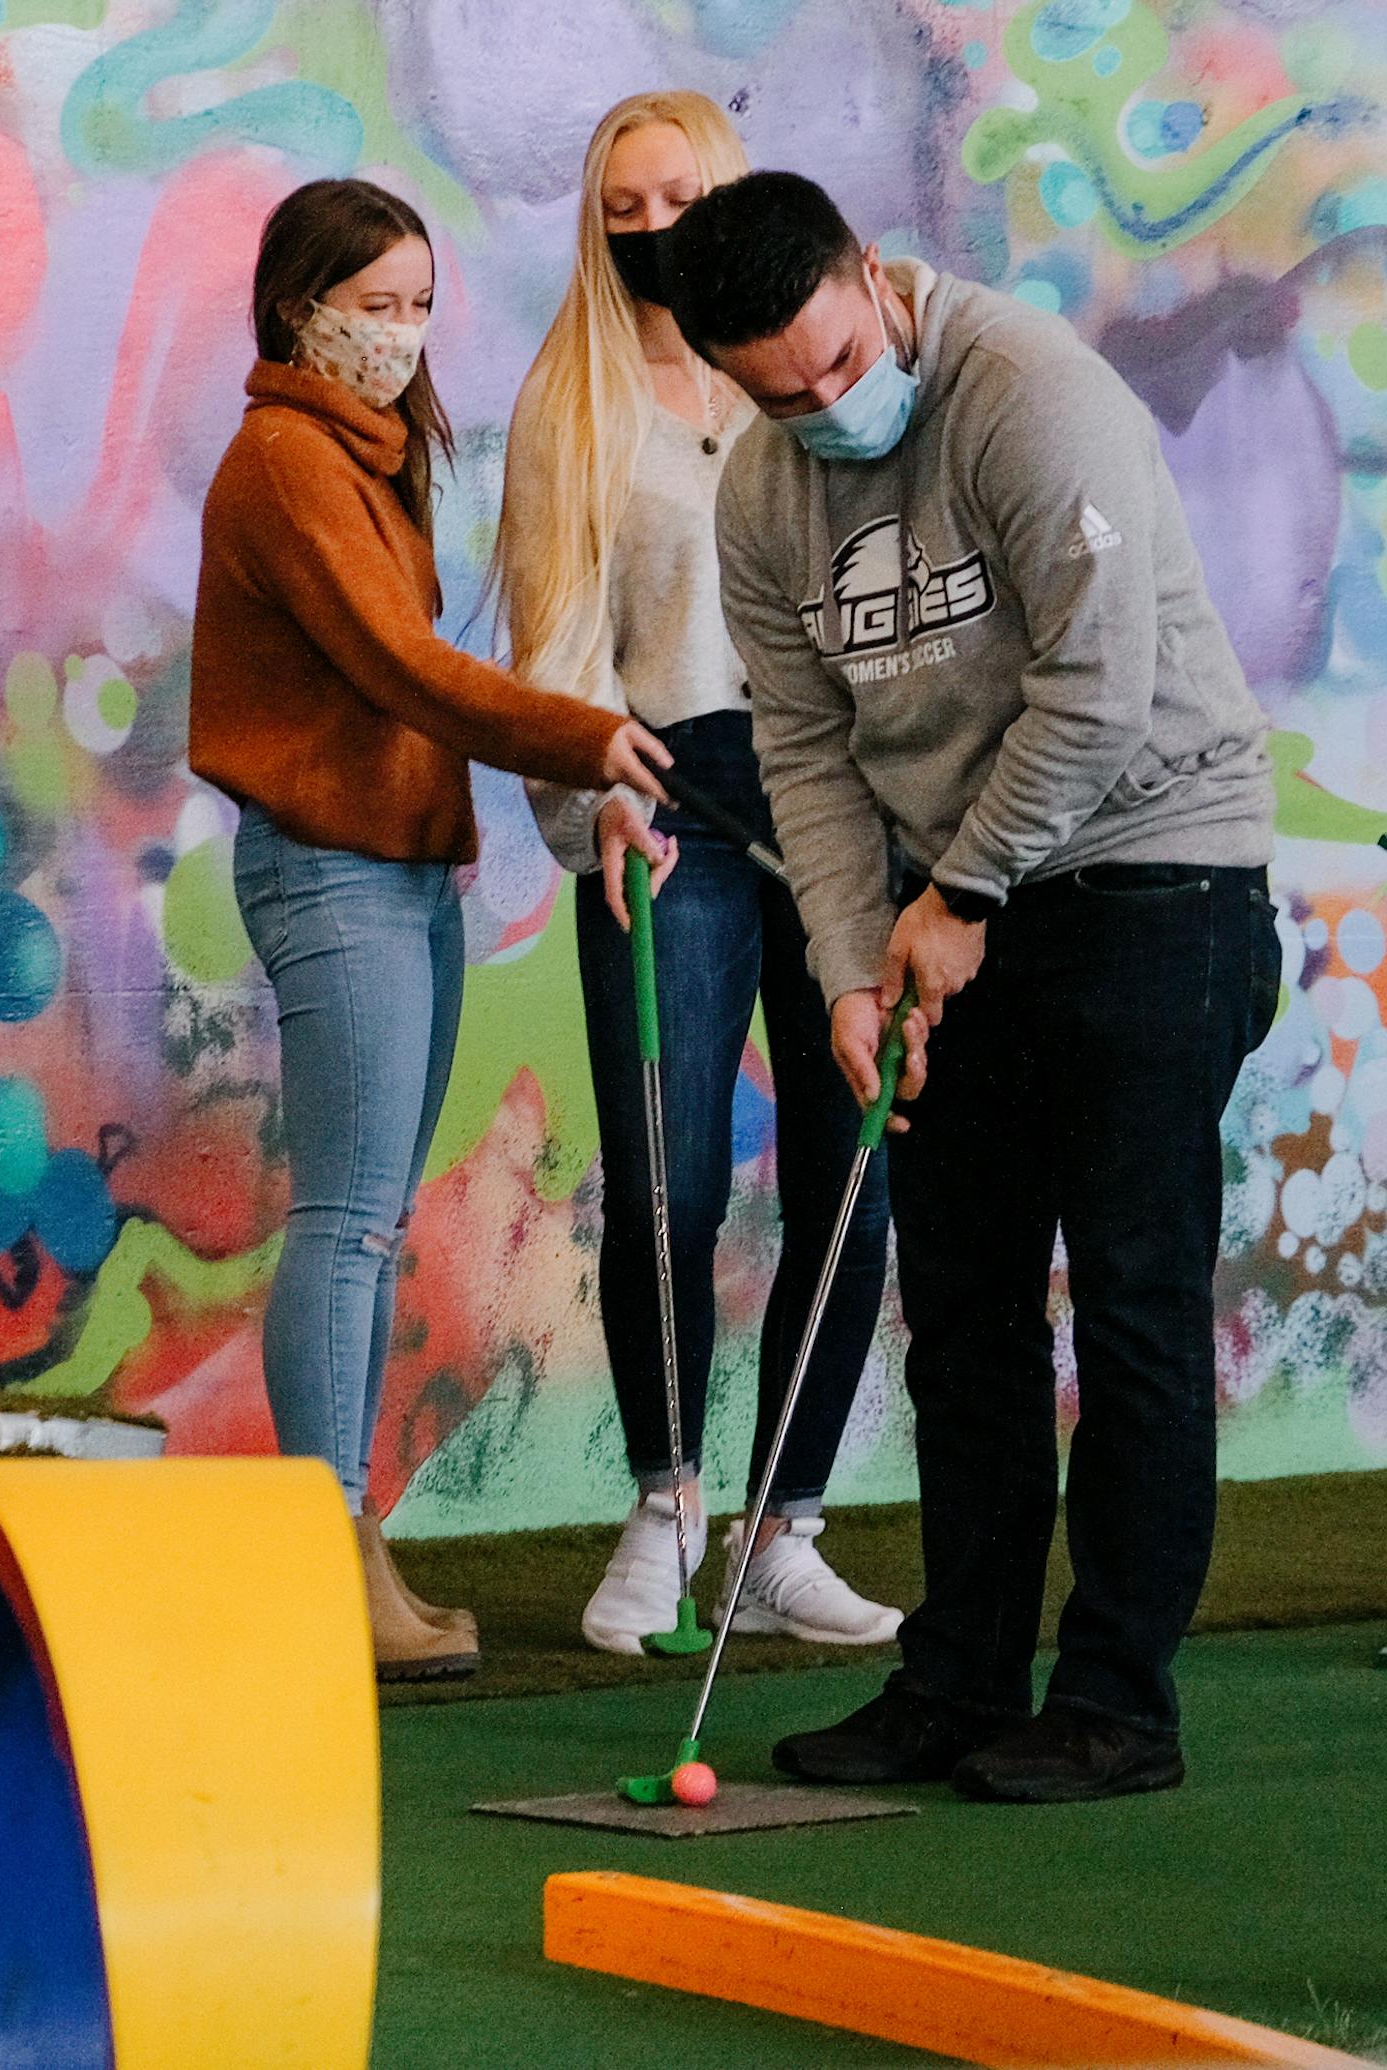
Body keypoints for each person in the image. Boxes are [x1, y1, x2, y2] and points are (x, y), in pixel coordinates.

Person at [661, 171, 1282, 1800]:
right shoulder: (761, 498)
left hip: (1156, 870)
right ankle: (957, 1678)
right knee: (968, 1309)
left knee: (1134, 1299)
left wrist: (962, 894)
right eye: (775, 391)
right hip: (952, 907)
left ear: (875, 276)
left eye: (838, 361)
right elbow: (801, 747)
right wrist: (854, 961)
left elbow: (1097, 684)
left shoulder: (1030, 394)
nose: (820, 404)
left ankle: (1117, 1701)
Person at [190, 177, 670, 1682]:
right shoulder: (285, 460)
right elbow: (401, 669)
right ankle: (326, 1558)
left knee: (366, 1220)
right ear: (297, 307)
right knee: (346, 1223)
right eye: (373, 304)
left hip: (399, 872)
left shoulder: (367, 450)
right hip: (334, 876)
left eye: (417, 304)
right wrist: (589, 734)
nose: (400, 334)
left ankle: (347, 1546)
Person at [492, 96, 899, 1654]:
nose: (652, 227)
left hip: (841, 814)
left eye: (680, 197)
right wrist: (588, 796)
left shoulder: (817, 381)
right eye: (623, 208)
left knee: (848, 1182)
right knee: (666, 1179)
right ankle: (665, 1506)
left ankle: (779, 1530)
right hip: (665, 805)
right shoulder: (572, 402)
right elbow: (555, 653)